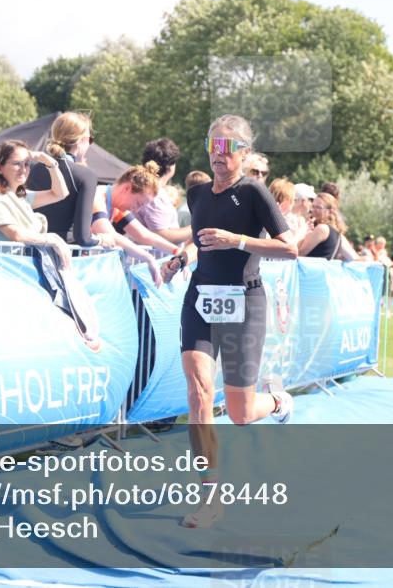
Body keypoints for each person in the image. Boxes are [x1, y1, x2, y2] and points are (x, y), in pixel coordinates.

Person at [160, 114, 297, 528]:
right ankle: (210, 496)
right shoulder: (198, 193)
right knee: (200, 392)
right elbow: (202, 242)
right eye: (213, 145)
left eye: (228, 147)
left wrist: (236, 241)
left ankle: (276, 401)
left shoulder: (254, 191)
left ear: (245, 152)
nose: (219, 155)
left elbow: (289, 247)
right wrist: (183, 257)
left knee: (238, 411)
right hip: (201, 298)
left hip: (245, 301)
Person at [0, 140, 71, 265]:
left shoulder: (20, 196)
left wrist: (50, 163)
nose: (23, 169)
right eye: (17, 164)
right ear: (0, 167)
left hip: (19, 267)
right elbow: (16, 234)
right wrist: (51, 240)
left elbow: (60, 193)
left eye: (27, 164)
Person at [26, 111, 109, 248]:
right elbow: (83, 237)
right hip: (66, 256)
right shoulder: (86, 175)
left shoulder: (32, 169)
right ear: (82, 141)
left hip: (30, 253)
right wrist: (101, 240)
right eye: (90, 139)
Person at [92, 163, 177, 282]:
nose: (136, 210)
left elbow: (145, 235)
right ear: (127, 188)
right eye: (138, 203)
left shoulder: (114, 206)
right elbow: (111, 234)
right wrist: (148, 258)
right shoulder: (97, 196)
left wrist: (177, 252)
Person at [132, 137, 192, 245]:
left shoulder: (145, 189)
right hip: (156, 260)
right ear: (170, 167)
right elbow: (162, 236)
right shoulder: (155, 195)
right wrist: (196, 227)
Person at [299, 192, 358, 261]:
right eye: (313, 206)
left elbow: (299, 253)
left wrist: (301, 231)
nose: (313, 210)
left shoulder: (322, 229)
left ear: (330, 211)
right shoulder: (337, 232)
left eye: (318, 207)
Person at [269, 177, 309, 244]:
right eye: (293, 199)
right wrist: (301, 232)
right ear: (287, 201)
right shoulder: (282, 221)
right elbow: (287, 247)